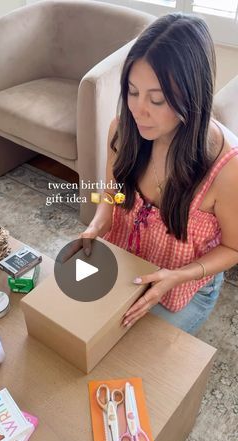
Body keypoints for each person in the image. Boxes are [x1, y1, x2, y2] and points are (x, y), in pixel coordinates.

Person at [80, 13, 238, 335]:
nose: (139, 111)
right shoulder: (122, 130)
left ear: (192, 97)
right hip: (128, 258)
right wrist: (98, 223)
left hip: (184, 285)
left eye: (157, 99)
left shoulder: (227, 169)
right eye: (132, 92)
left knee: (127, 352)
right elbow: (112, 195)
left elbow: (234, 248)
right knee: (81, 324)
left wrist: (176, 276)